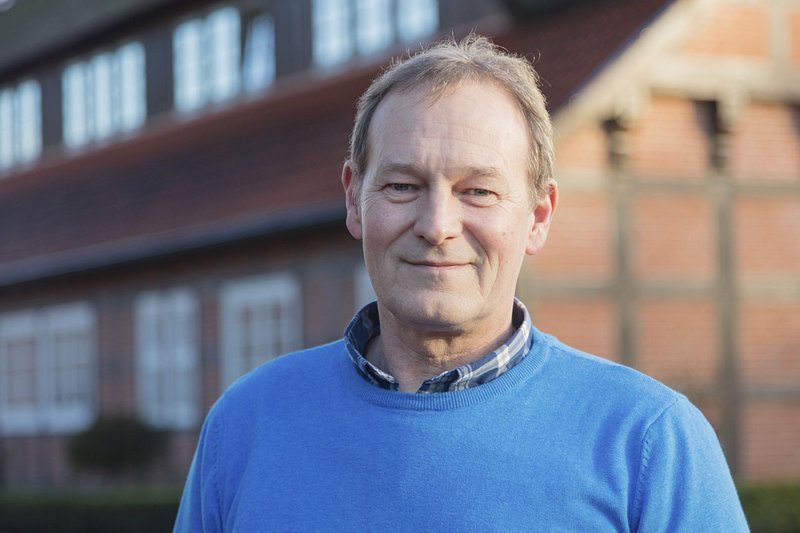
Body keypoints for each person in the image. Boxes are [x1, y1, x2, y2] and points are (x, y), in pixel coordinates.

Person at [174, 35, 748, 531]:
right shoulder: (246, 425)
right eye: (402, 186)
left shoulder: (649, 442)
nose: (436, 227)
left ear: (538, 215)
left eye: (478, 190)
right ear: (354, 199)